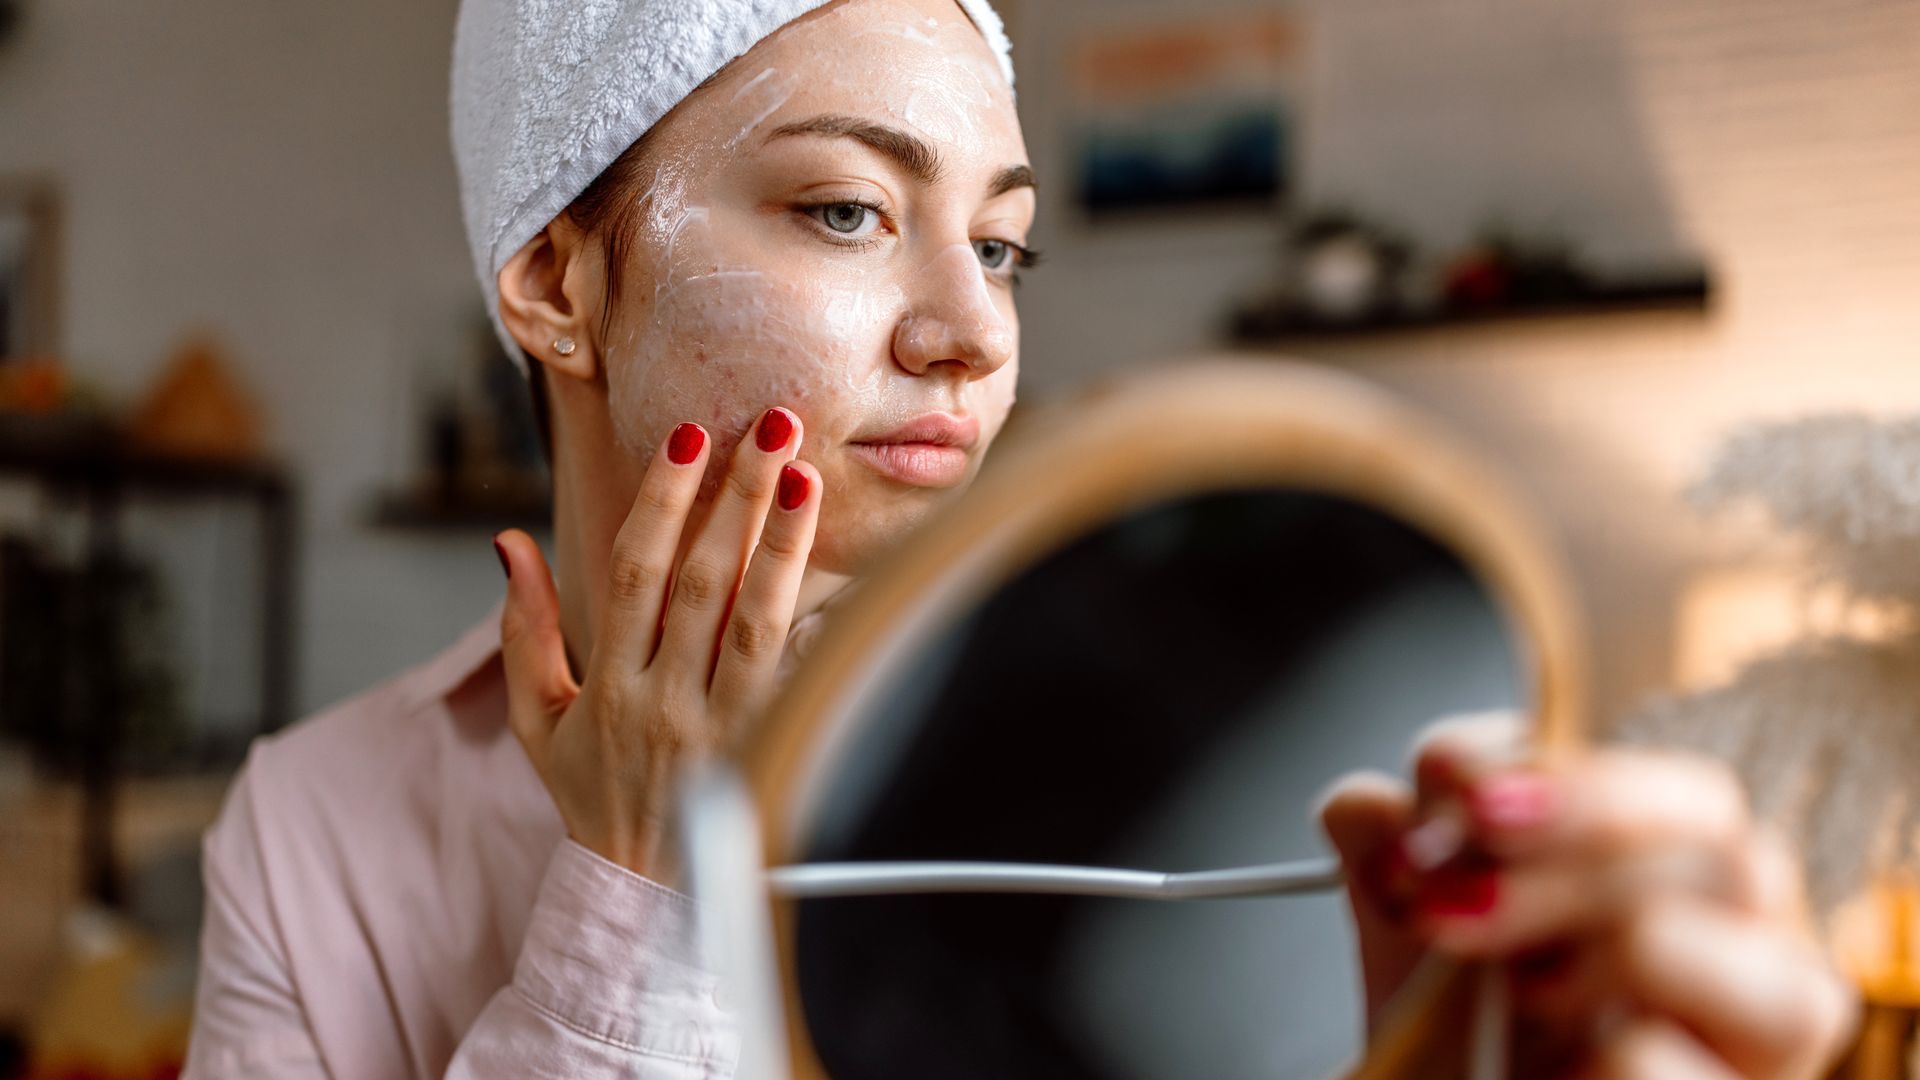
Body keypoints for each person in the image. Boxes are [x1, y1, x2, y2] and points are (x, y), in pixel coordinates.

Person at [182, 1, 1857, 1076]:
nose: (970, 334)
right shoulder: (315, 830)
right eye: (846, 209)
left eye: (1002, 248)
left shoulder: (1249, 774)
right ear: (557, 281)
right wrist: (631, 893)